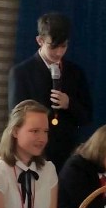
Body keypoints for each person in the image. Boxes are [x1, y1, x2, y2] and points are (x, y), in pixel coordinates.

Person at [8, 13, 92, 164]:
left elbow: (87, 116)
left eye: (63, 46)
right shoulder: (22, 73)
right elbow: (16, 117)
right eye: (53, 46)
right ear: (40, 40)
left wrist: (69, 104)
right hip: (34, 152)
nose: (59, 52)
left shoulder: (75, 72)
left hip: (67, 152)